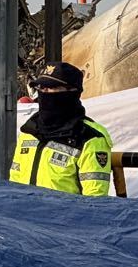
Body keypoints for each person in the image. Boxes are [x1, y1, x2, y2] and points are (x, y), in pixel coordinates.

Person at [7, 62, 113, 196]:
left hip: (64, 216)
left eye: (51, 88)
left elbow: (95, 200)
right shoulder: (30, 130)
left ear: (71, 92)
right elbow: (14, 183)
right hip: (21, 215)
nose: (44, 93)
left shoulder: (90, 138)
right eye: (41, 88)